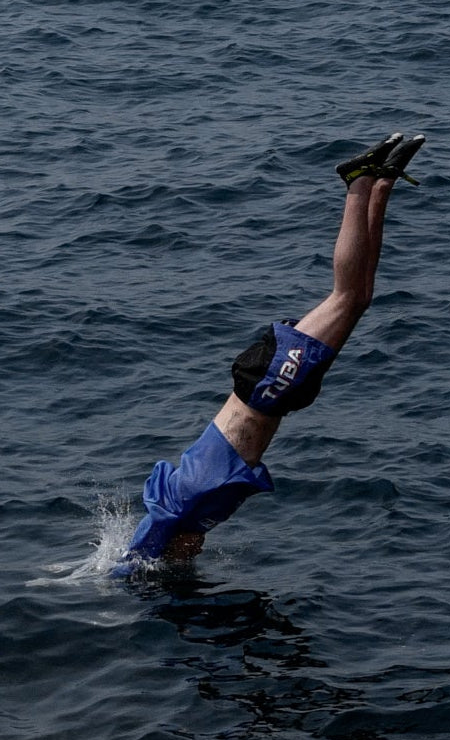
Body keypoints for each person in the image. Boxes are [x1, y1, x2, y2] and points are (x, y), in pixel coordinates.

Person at [118, 131, 425, 569]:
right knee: (359, 299)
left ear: (164, 544)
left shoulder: (178, 509)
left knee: (345, 297)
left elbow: (133, 559)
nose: (193, 555)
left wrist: (120, 574)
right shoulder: (191, 516)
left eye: (180, 555)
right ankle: (381, 182)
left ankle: (358, 180)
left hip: (268, 385)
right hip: (274, 389)